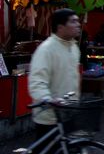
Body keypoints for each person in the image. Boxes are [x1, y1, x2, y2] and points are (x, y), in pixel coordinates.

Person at [28, 9, 81, 140]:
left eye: (77, 21)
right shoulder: (47, 49)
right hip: (50, 116)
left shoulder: (74, 47)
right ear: (60, 27)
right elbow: (37, 81)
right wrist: (47, 99)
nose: (78, 24)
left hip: (69, 112)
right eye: (73, 21)